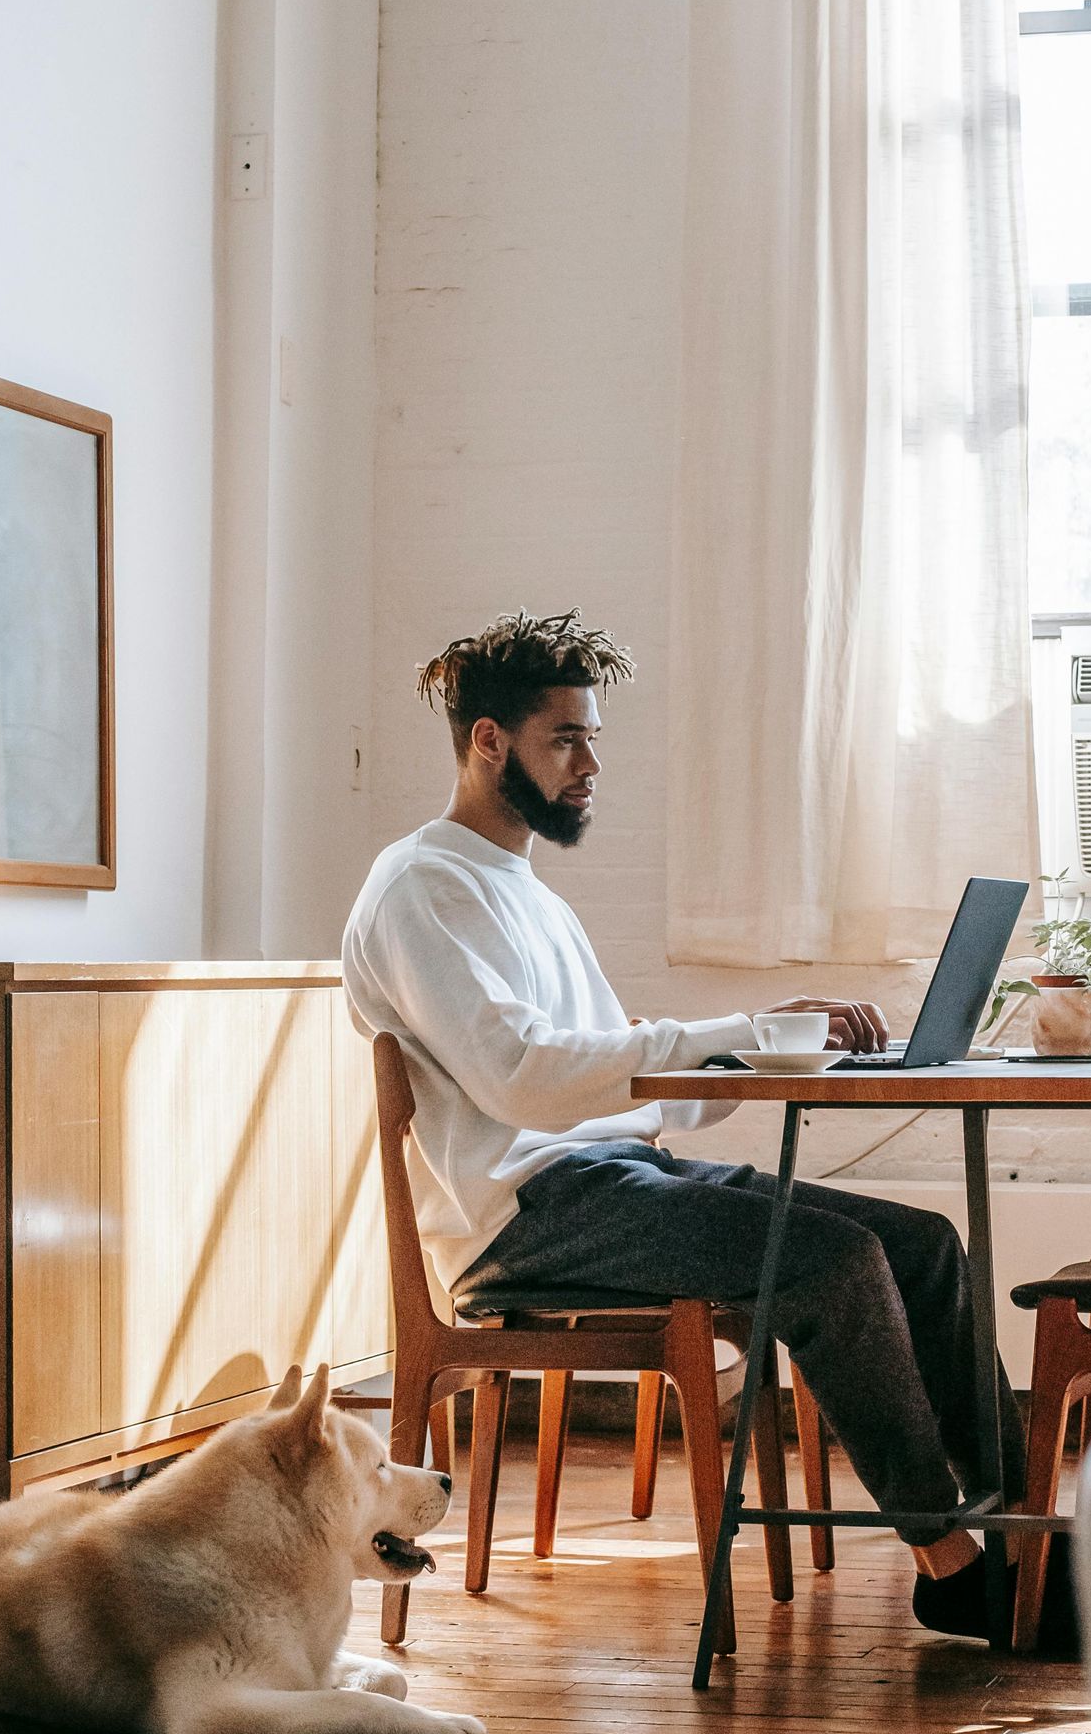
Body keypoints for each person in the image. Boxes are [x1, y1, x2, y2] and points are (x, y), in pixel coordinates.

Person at [340, 609, 1035, 1641]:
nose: (588, 765)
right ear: (488, 741)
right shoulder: (422, 889)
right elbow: (525, 1080)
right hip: (531, 1218)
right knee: (833, 1265)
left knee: (922, 1247)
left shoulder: (520, 888)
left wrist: (776, 1050)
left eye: (592, 740)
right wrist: (736, 1030)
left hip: (618, 1180)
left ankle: (1026, 1541)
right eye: (565, 739)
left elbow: (625, 1077)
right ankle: (950, 1564)